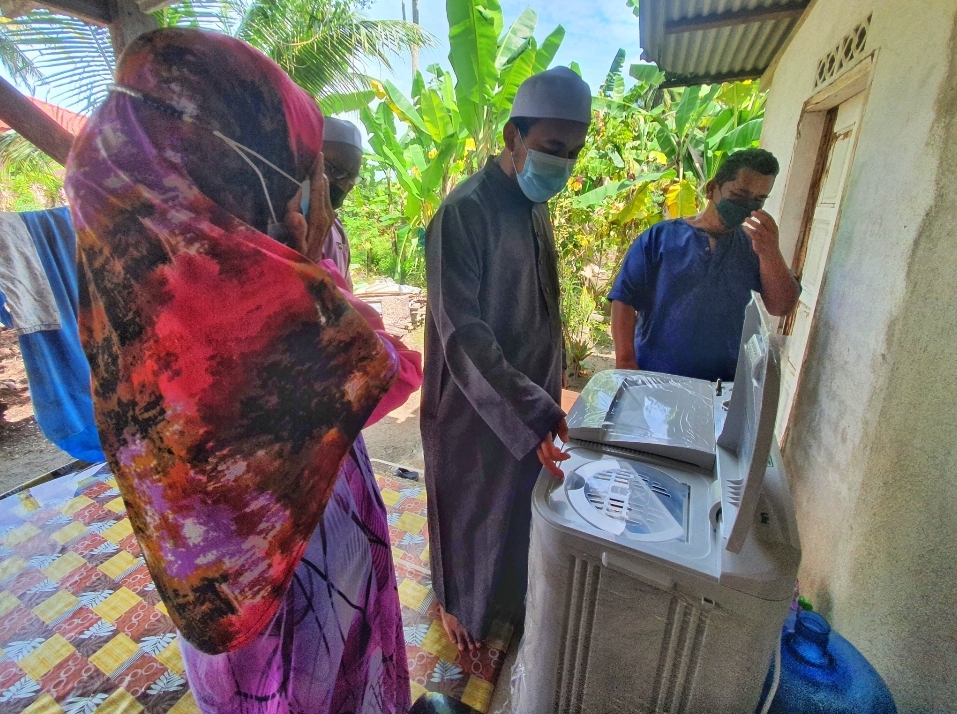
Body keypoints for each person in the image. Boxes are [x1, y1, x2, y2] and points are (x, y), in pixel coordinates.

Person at [65, 28, 420, 714]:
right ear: (235, 171)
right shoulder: (273, 325)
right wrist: (308, 272)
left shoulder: (130, 289)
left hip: (213, 612)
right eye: (302, 171)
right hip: (302, 599)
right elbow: (390, 370)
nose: (319, 191)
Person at [420, 67, 591, 651]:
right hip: (474, 399)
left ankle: (497, 599)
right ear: (514, 139)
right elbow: (462, 333)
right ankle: (456, 604)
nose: (562, 163)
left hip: (526, 394)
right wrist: (530, 406)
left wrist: (549, 390)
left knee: (514, 505)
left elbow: (545, 304)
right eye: (550, 147)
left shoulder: (532, 203)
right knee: (467, 508)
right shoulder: (463, 212)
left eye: (572, 151)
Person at [609, 149, 800, 382]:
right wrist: (626, 362)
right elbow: (624, 300)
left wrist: (771, 253)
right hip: (653, 378)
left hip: (721, 389)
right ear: (712, 189)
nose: (747, 205)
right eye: (739, 194)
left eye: (758, 199)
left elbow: (781, 306)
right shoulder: (659, 239)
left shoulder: (756, 249)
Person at [320, 117, 364, 289]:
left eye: (352, 176)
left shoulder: (336, 227)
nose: (346, 184)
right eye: (337, 171)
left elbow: (347, 290)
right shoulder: (287, 220)